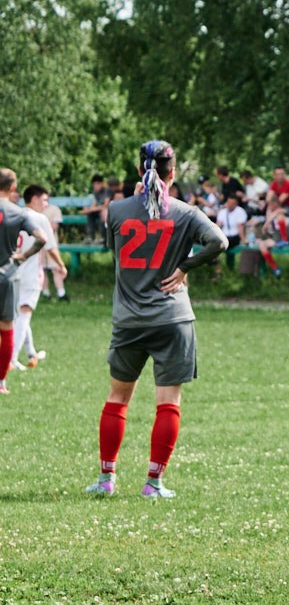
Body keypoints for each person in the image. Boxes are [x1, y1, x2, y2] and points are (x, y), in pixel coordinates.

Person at [89, 141, 228, 495]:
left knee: (117, 398)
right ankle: (153, 483)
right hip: (173, 318)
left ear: (140, 171)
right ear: (173, 172)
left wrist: (136, 201)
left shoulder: (117, 210)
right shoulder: (186, 211)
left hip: (129, 319)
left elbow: (113, 247)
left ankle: (106, 480)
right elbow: (219, 242)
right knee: (168, 402)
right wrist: (184, 267)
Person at [3, 179, 57, 378]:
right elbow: (48, 244)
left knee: (19, 314)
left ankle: (31, 353)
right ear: (33, 199)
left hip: (9, 270)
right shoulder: (37, 219)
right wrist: (60, 266)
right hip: (29, 272)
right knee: (23, 314)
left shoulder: (12, 214)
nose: (46, 204)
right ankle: (11, 360)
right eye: (44, 200)